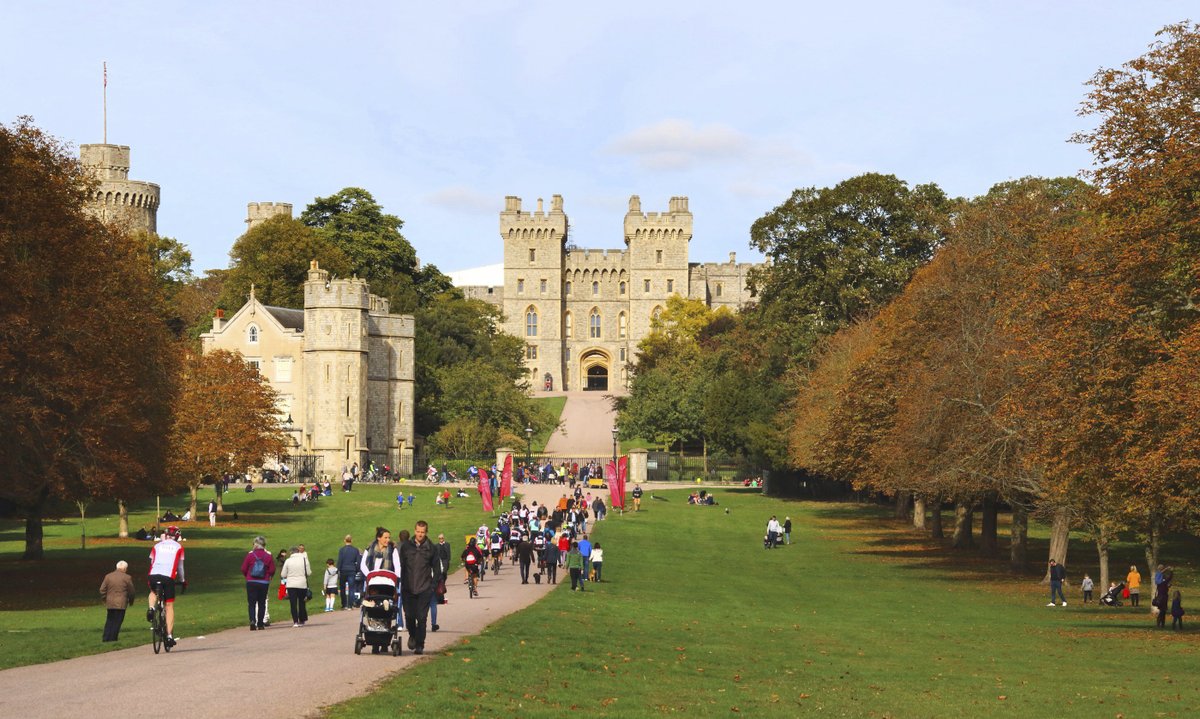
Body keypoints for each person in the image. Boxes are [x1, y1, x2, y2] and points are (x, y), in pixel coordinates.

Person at [398, 520, 437, 654]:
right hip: (408, 588)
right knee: (409, 616)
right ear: (414, 531)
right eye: (418, 531)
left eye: (423, 532)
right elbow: (400, 566)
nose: (420, 534)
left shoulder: (431, 548)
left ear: (426, 532)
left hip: (424, 588)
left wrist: (433, 585)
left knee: (421, 617)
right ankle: (413, 635)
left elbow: (437, 568)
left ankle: (420, 644)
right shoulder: (406, 546)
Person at [146, 526, 186, 648]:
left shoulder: (157, 546)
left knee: (153, 592)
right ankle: (169, 636)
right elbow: (180, 568)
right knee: (169, 605)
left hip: (153, 575)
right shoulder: (179, 547)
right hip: (168, 577)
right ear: (177, 536)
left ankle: (151, 608)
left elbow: (152, 562)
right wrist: (183, 580)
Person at [241, 535, 275, 630]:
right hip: (263, 582)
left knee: (251, 603)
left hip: (251, 581)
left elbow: (243, 568)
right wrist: (268, 576)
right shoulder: (268, 556)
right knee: (261, 603)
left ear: (255, 545)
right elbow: (272, 570)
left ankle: (252, 620)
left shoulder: (250, 555)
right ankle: (260, 623)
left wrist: (247, 576)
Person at [100, 560, 135, 642]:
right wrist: (131, 600)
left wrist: (105, 598)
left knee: (109, 620)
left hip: (110, 603)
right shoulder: (127, 577)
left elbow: (102, 589)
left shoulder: (108, 576)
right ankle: (113, 638)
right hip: (121, 603)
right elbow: (131, 591)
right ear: (125, 568)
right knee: (117, 621)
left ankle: (106, 637)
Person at [280, 545, 311, 627]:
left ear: (291, 552)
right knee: (301, 602)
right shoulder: (304, 560)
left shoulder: (288, 561)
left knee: (293, 603)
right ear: (298, 551)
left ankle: (295, 621)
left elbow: (283, 574)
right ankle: (301, 619)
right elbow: (308, 572)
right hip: (302, 584)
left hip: (291, 585)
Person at [337, 535, 362, 610]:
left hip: (343, 570)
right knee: (351, 588)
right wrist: (357, 570)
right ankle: (350, 605)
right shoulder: (355, 550)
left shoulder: (342, 550)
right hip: (352, 570)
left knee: (342, 588)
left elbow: (340, 561)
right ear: (351, 540)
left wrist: (338, 570)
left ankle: (344, 604)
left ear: (345, 540)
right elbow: (358, 562)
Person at [432, 533, 451, 631]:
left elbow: (448, 554)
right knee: (441, 578)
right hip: (439, 563)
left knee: (444, 575)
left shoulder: (447, 545)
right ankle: (441, 594)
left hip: (445, 561)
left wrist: (447, 562)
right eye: (439, 538)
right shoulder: (436, 546)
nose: (441, 539)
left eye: (442, 538)